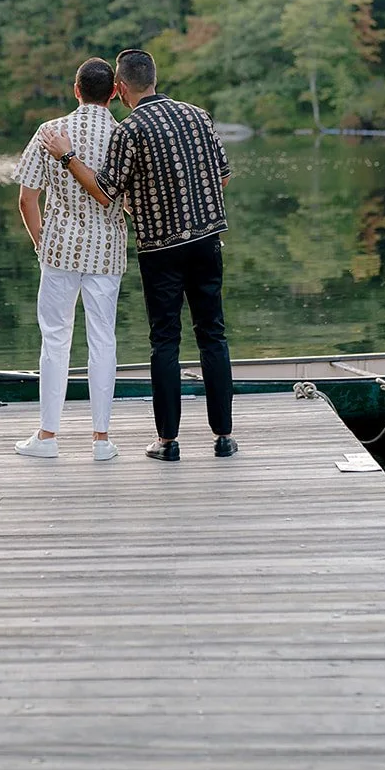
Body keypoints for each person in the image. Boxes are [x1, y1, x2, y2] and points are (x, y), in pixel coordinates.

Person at [40, 48, 236, 462]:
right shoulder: (199, 115)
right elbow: (221, 175)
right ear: (155, 78)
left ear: (122, 88)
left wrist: (67, 156)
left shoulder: (129, 131)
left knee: (165, 341)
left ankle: (168, 442)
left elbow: (105, 191)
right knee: (212, 334)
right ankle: (223, 438)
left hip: (161, 248)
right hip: (206, 240)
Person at [11, 56, 126, 462]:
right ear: (114, 93)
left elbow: (27, 198)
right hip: (107, 252)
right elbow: (126, 201)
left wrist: (40, 238)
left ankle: (47, 436)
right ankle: (101, 440)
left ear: (76, 90)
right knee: (103, 340)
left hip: (59, 249)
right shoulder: (123, 136)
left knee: (55, 338)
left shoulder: (51, 131)